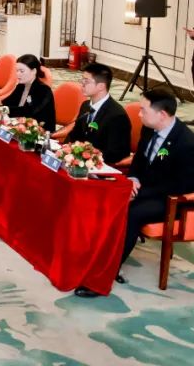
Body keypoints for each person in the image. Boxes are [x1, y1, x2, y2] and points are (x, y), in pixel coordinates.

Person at [76, 88, 194, 298]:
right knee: (106, 197)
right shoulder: (149, 129)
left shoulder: (186, 143)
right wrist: (133, 180)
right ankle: (92, 255)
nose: (139, 115)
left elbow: (180, 184)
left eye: (143, 110)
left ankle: (106, 273)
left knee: (131, 212)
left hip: (169, 199)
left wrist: (139, 192)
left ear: (162, 114)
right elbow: (139, 161)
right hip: (144, 187)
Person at [60, 63, 131, 165]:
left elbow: (115, 154)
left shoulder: (117, 116)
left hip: (102, 165)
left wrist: (86, 157)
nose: (82, 84)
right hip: (80, 162)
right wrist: (66, 151)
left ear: (101, 86)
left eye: (86, 81)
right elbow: (74, 136)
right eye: (82, 80)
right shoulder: (85, 105)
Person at [1, 55, 56, 132]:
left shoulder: (43, 90)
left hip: (38, 131)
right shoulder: (21, 86)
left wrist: (6, 109)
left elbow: (30, 111)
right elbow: (8, 101)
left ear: (34, 71)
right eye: (17, 71)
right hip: (20, 125)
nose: (18, 74)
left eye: (22, 71)